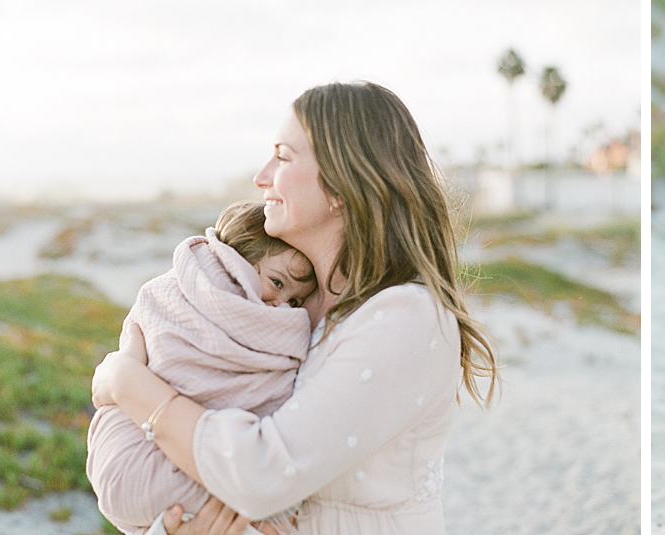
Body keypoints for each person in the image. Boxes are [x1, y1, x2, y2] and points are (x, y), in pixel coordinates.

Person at [91, 81, 499, 535]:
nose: (261, 176)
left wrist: (128, 382)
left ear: (342, 184)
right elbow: (202, 444)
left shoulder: (406, 316)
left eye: (283, 157)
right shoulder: (278, 304)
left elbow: (261, 475)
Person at [87, 200, 317, 535]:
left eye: (296, 302)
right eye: (278, 283)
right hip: (134, 450)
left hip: (127, 467)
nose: (282, 306)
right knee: (271, 513)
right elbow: (153, 337)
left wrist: (124, 377)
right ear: (234, 262)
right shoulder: (187, 291)